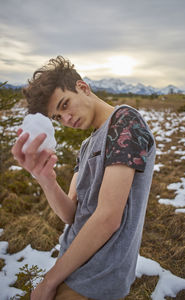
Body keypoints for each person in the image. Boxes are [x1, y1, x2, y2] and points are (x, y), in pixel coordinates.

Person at [12, 56, 156, 300]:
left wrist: (48, 281)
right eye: (57, 117)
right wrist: (45, 178)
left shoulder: (124, 122)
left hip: (98, 276)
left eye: (65, 105)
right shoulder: (87, 145)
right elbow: (71, 214)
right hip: (72, 263)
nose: (66, 119)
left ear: (83, 87)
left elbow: (108, 218)